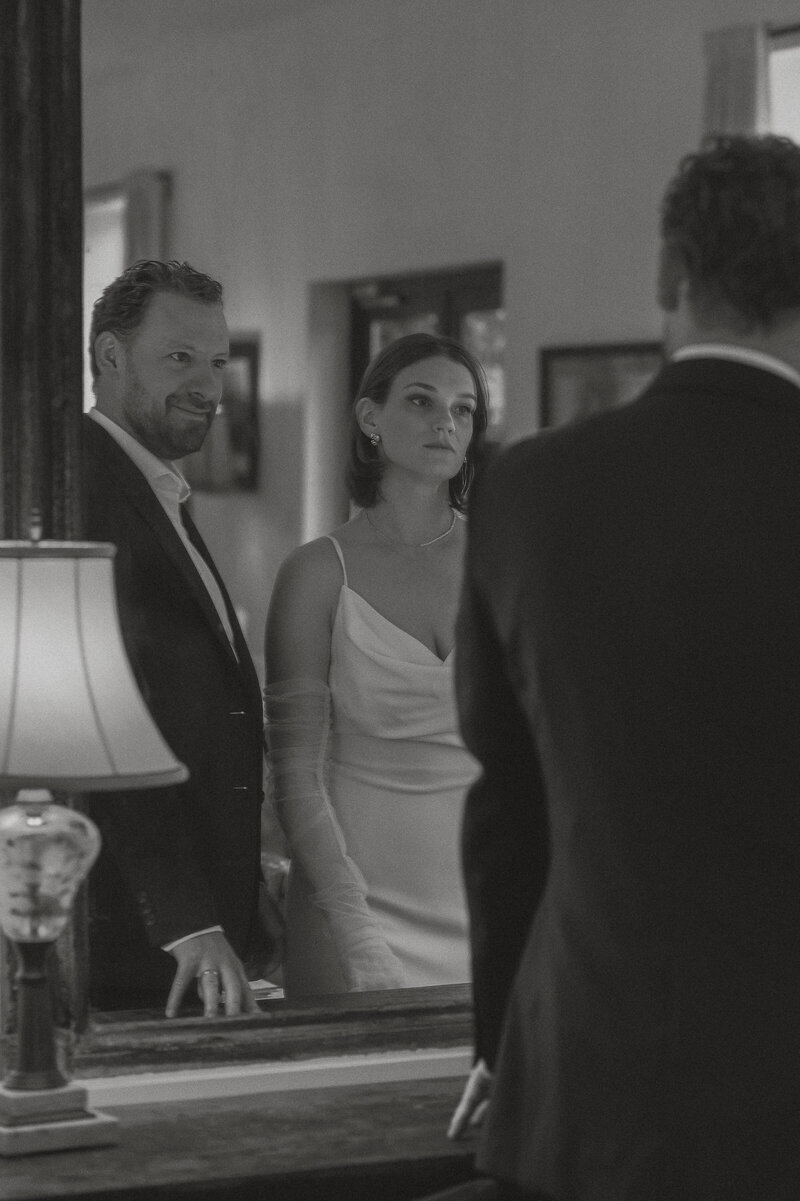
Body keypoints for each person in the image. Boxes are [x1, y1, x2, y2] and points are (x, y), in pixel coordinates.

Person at [450, 135, 800, 1200]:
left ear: (666, 272)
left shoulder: (528, 492)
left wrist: (498, 1045)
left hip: (590, 1087)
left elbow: (507, 809)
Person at [264, 332, 488, 997]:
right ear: (370, 417)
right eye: (421, 400)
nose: (445, 421)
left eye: (465, 408)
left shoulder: (506, 556)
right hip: (354, 904)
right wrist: (353, 927)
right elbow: (294, 774)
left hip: (487, 894)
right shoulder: (314, 572)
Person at [84, 259, 275, 1018]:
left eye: (218, 361)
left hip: (197, 928)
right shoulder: (87, 491)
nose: (208, 382)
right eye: (179, 358)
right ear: (109, 356)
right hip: (137, 946)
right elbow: (107, 715)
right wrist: (187, 919)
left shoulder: (156, 489)